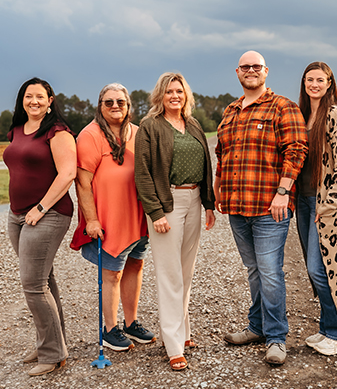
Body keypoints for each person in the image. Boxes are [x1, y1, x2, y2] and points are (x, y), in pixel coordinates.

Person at [215, 50, 308, 366]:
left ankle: (276, 338)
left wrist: (283, 192)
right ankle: (257, 326)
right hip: (237, 206)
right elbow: (223, 154)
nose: (251, 70)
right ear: (237, 72)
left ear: (266, 71)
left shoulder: (282, 107)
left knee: (270, 272)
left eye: (257, 66)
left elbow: (296, 151)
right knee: (254, 270)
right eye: (245, 67)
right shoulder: (231, 111)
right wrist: (218, 189)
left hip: (270, 207)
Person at [135, 73, 216, 371]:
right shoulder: (150, 126)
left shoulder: (192, 124)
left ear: (186, 95)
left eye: (179, 91)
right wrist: (155, 212)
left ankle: (183, 331)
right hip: (167, 203)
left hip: (194, 199)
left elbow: (206, 166)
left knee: (185, 271)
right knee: (169, 274)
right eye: (169, 91)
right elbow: (142, 173)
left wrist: (208, 204)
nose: (174, 96)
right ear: (160, 95)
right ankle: (173, 344)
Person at [71, 83, 155, 352]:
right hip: (109, 218)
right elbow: (83, 183)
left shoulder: (137, 133)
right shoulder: (90, 135)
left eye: (120, 102)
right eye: (109, 102)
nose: (115, 106)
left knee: (136, 266)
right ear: (100, 106)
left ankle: (131, 323)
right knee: (112, 274)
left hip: (137, 215)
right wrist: (91, 220)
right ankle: (110, 329)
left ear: (128, 105)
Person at [4, 78, 76, 376]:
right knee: (43, 280)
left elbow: (68, 173)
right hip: (17, 215)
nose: (33, 101)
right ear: (22, 100)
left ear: (50, 101)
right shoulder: (17, 130)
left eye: (39, 97)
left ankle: (53, 354)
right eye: (28, 96)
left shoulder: (57, 132)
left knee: (33, 285)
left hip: (49, 213)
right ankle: (52, 342)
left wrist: (41, 208)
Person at [296, 62, 337, 356]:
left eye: (320, 80)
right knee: (316, 270)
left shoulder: (333, 114)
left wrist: (330, 202)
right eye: (310, 79)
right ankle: (326, 328)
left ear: (329, 83)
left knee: (321, 268)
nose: (314, 84)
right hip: (303, 201)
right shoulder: (302, 115)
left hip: (326, 204)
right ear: (304, 83)